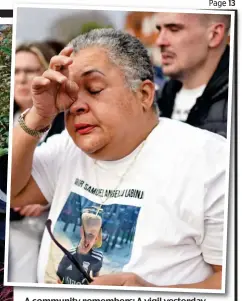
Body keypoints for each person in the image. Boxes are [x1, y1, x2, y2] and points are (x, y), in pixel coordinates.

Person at [11, 28, 228, 289]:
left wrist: (151, 294)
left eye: (94, 89)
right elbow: (14, 191)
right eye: (69, 97)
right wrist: (39, 115)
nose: (77, 106)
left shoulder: (210, 160)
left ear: (144, 94)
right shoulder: (67, 147)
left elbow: (231, 279)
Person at [9, 42, 66, 283]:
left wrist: (46, 199)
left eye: (30, 71)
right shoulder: (7, 121)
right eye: (16, 71)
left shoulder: (65, 124)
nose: (21, 79)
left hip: (41, 232)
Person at [155, 13, 230, 137]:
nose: (160, 41)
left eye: (174, 29)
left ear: (214, 35)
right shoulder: (157, 101)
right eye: (159, 30)